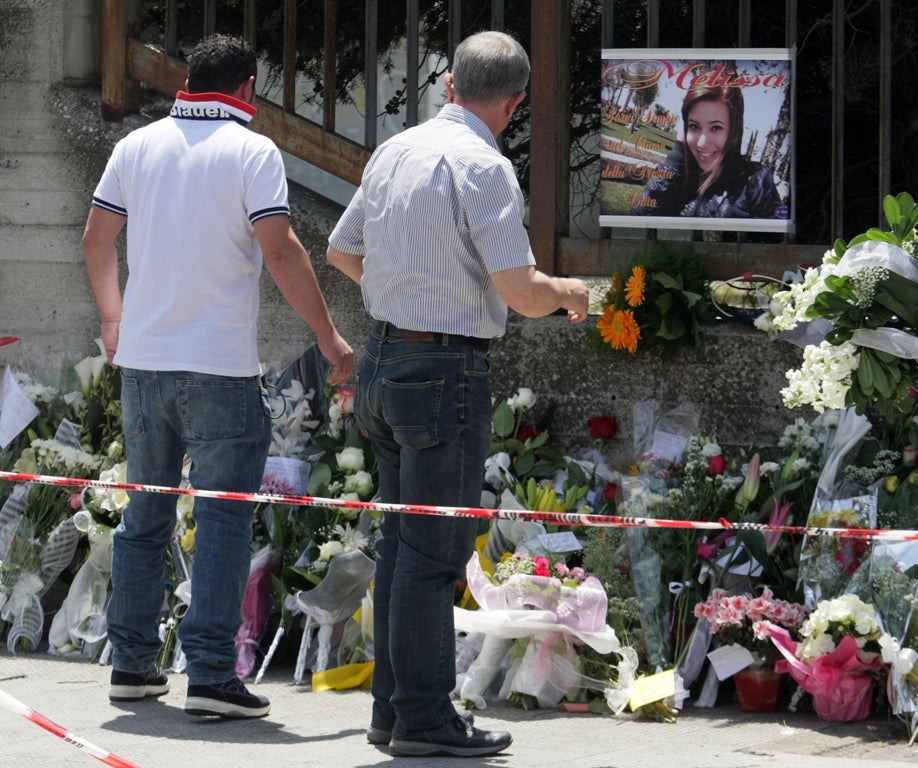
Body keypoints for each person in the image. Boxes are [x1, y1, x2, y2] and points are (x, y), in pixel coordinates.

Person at [325, 30, 589, 758]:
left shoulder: (395, 151)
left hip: (382, 358)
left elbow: (341, 251)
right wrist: (569, 293)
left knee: (400, 544)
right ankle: (423, 719)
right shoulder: (484, 166)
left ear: (448, 86)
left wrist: (404, 295)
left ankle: (393, 712)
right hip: (443, 374)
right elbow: (521, 291)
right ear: (515, 103)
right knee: (433, 554)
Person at [82, 33, 353, 719]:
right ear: (248, 89)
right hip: (220, 369)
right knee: (224, 519)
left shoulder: (135, 146)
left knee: (144, 517)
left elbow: (95, 238)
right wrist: (328, 337)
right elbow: (282, 250)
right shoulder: (251, 151)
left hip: (143, 365)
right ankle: (209, 675)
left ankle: (133, 666)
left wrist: (114, 320)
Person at [631, 85, 783, 218]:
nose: (702, 143)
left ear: (734, 131)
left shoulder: (755, 181)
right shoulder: (676, 176)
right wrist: (676, 159)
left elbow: (775, 244)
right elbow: (640, 222)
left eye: (716, 128)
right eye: (694, 126)